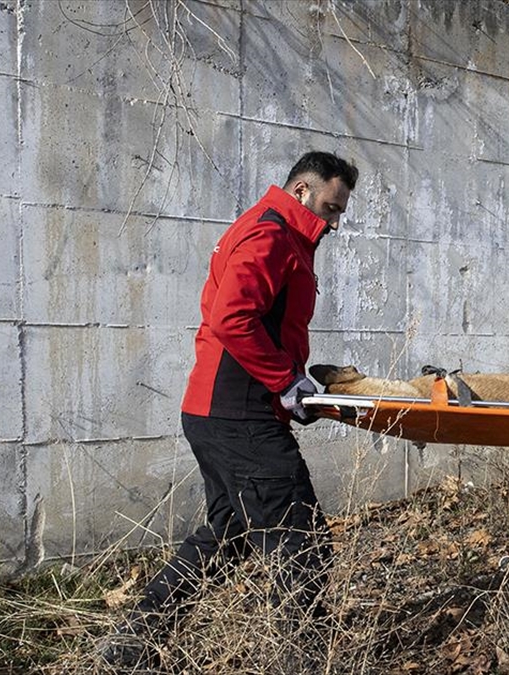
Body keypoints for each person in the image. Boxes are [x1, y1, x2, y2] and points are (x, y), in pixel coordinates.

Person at [100, 151, 359, 667]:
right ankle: (304, 660)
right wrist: (285, 381)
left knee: (229, 536)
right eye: (330, 208)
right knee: (301, 542)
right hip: (238, 415)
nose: (333, 223)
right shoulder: (271, 234)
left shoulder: (273, 231)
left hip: (219, 411)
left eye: (340, 213)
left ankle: (132, 644)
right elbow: (233, 318)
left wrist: (295, 387)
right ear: (302, 191)